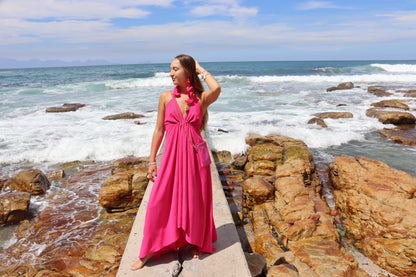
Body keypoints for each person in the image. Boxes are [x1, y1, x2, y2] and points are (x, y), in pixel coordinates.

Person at [130, 54, 221, 271]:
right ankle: (147, 252)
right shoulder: (165, 97)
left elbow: (217, 89)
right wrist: (152, 161)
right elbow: (159, 129)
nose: (170, 73)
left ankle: (194, 242)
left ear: (187, 72)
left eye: (175, 69)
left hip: (195, 158)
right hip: (171, 158)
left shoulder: (200, 98)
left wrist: (200, 69)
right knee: (158, 202)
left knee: (195, 202)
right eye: (170, 69)